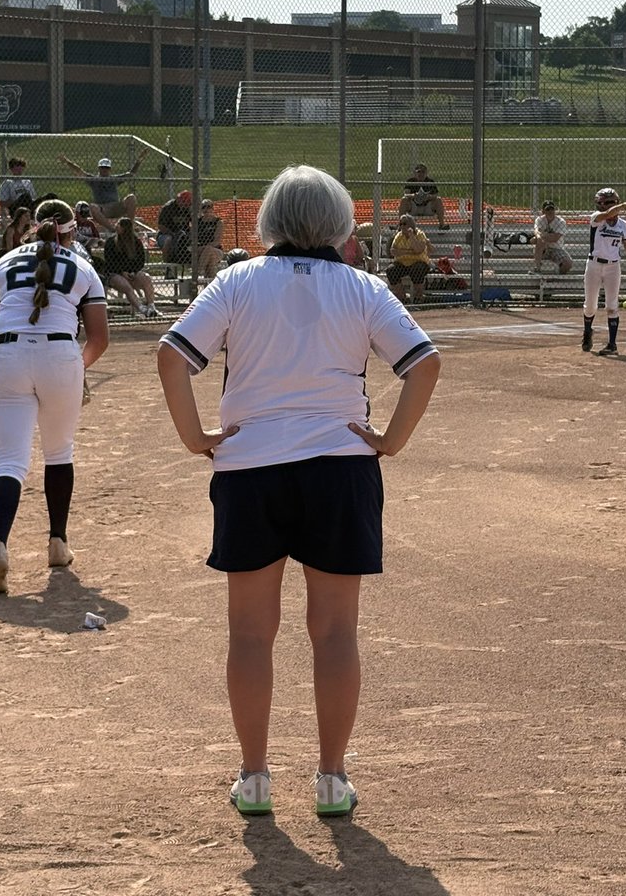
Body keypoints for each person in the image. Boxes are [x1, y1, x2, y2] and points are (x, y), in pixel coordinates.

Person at [156, 164, 440, 817]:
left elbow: (173, 356)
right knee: (335, 630)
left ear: (270, 223)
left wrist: (195, 437)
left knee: (250, 633)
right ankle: (332, 779)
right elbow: (424, 362)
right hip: (340, 466)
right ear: (340, 224)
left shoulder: (236, 280)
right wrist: (390, 440)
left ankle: (254, 777)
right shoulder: (363, 287)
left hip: (249, 466)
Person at [0, 198, 109, 594]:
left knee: (10, 461)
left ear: (33, 227)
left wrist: (15, 360)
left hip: (6, 352)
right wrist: (74, 369)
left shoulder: (5, 262)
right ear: (70, 231)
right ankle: (57, 542)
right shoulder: (83, 267)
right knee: (59, 452)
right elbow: (99, 339)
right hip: (60, 354)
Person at [582, 187, 626, 356]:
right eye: (605, 204)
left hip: (613, 266)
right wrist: (623, 206)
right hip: (594, 265)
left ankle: (612, 344)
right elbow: (605, 215)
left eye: (611, 203)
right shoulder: (596, 218)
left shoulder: (623, 225)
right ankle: (587, 331)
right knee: (590, 305)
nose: (608, 207)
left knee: (612, 306)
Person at [57, 150, 148, 230]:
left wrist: (139, 160)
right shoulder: (94, 180)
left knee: (131, 198)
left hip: (116, 206)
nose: (104, 170)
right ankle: (112, 229)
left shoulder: (114, 179)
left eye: (107, 168)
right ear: (99, 168)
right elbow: (80, 172)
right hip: (103, 209)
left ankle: (129, 227)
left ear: (110, 169)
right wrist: (67, 162)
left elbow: (131, 174)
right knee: (92, 207)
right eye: (103, 167)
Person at [103, 217, 158, 318]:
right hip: (115, 274)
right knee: (127, 287)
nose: (116, 226)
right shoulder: (111, 242)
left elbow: (140, 261)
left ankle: (151, 307)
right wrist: (122, 272)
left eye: (119, 224)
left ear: (125, 228)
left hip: (132, 273)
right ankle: (143, 309)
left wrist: (133, 272)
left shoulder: (136, 242)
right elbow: (110, 262)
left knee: (146, 278)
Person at [385, 214, 432, 303]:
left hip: (419, 262)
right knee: (391, 270)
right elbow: (393, 251)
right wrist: (410, 251)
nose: (402, 226)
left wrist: (411, 236)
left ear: (411, 225)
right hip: (402, 263)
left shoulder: (419, 234)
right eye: (400, 224)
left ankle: (419, 298)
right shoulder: (399, 235)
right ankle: (403, 298)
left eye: (404, 224)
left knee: (417, 270)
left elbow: (419, 250)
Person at [399, 164, 447, 229]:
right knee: (404, 200)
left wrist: (428, 197)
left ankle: (442, 225)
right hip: (414, 207)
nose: (421, 174)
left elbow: (436, 195)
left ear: (426, 173)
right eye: (419, 172)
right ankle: (400, 225)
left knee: (438, 200)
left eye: (423, 172)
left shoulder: (430, 182)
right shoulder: (410, 181)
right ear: (415, 173)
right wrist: (414, 196)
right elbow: (406, 194)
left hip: (427, 207)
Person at [532, 200, 572, 274]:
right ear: (543, 211)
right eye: (547, 209)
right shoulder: (540, 219)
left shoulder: (560, 221)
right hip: (543, 249)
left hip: (556, 248)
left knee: (568, 263)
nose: (550, 211)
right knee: (540, 241)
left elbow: (555, 238)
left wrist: (541, 236)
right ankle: (537, 269)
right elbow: (536, 231)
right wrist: (539, 236)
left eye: (552, 209)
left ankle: (557, 277)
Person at [157, 190, 193, 269]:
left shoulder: (188, 209)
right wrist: (173, 234)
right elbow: (161, 226)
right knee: (168, 240)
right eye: (184, 202)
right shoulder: (168, 207)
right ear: (179, 200)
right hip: (166, 234)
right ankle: (167, 266)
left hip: (183, 235)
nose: (185, 206)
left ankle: (192, 266)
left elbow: (194, 223)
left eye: (187, 204)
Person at [0, 157, 37, 225]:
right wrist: (17, 200)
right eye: (17, 166)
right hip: (15, 209)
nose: (20, 168)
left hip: (29, 207)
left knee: (49, 196)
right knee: (25, 196)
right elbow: (2, 202)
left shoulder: (27, 182)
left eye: (21, 166)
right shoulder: (8, 183)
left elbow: (33, 199)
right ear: (11, 168)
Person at [195, 199, 224, 281]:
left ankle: (198, 270)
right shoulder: (198, 222)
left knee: (209, 250)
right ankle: (211, 287)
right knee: (210, 263)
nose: (206, 209)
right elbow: (194, 239)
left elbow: (217, 241)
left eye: (209, 207)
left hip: (216, 249)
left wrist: (206, 248)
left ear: (212, 208)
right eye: (204, 207)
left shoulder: (218, 222)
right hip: (201, 250)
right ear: (201, 209)